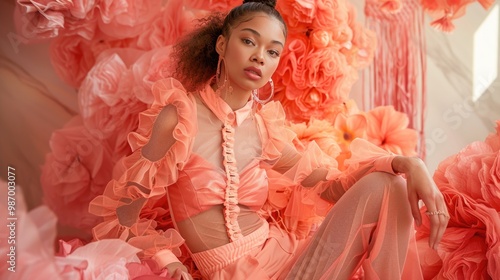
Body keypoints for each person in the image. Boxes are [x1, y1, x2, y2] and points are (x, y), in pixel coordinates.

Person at [89, 0, 450, 279]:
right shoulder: (179, 118)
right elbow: (123, 215)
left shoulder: (265, 129)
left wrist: (407, 163)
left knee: (388, 185)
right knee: (388, 186)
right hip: (233, 272)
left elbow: (332, 186)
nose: (259, 57)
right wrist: (168, 261)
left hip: (290, 259)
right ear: (220, 44)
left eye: (273, 51)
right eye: (249, 41)